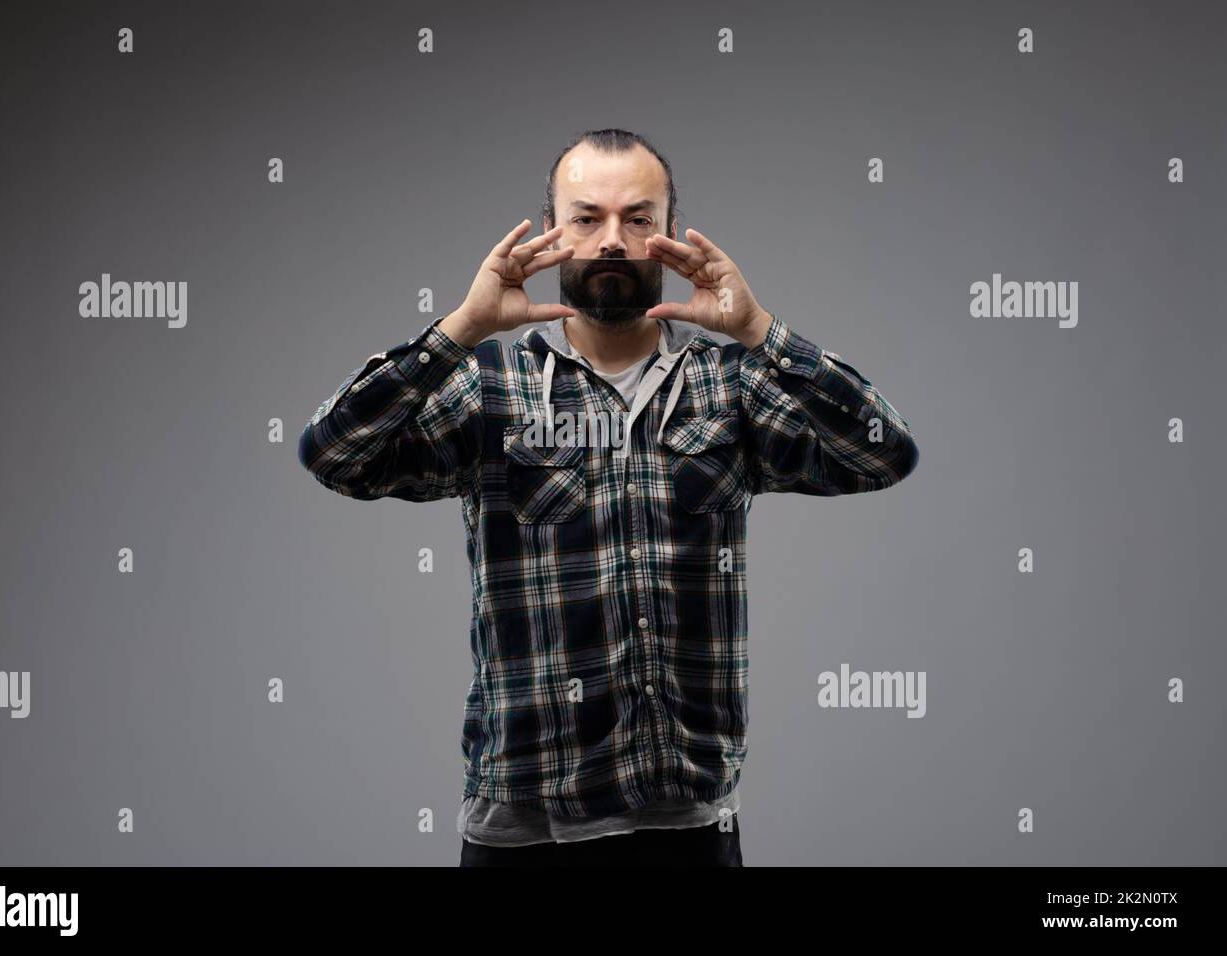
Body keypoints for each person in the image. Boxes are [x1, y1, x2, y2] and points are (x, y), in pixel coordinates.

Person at [298, 129, 919, 867]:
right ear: (556, 231)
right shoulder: (490, 387)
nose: (614, 242)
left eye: (639, 219)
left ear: (667, 233)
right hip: (524, 825)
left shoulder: (728, 388)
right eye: (588, 218)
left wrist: (760, 332)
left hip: (687, 825)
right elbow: (333, 453)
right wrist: (460, 330)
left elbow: (885, 452)